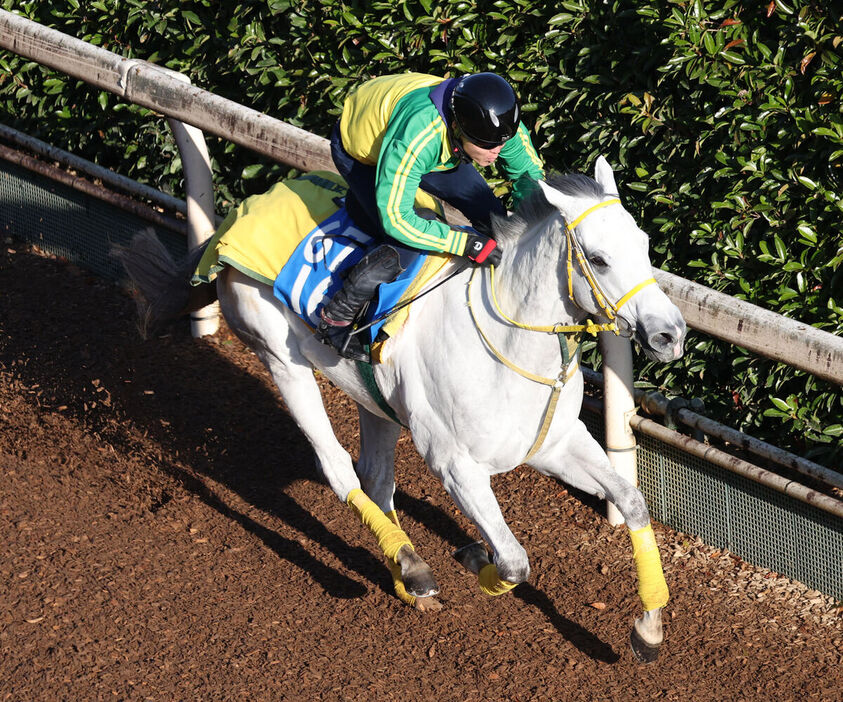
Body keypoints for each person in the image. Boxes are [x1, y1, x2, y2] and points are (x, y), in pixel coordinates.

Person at [316, 71, 545, 360]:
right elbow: (398, 219)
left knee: (494, 217)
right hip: (364, 154)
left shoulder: (496, 125)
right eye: (488, 146)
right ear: (460, 128)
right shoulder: (420, 132)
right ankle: (338, 315)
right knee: (407, 240)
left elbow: (531, 182)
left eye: (502, 142)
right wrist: (467, 244)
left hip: (439, 148)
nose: (497, 152)